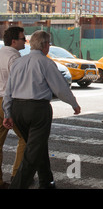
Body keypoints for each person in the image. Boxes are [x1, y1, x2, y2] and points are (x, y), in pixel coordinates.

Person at [2, 30, 81, 189]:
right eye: (49, 43)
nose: (49, 46)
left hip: (18, 109)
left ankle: (47, 182)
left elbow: (8, 89)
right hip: (38, 110)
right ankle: (17, 186)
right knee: (32, 152)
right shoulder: (46, 62)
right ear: (44, 45)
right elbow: (60, 88)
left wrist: (8, 112)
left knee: (38, 147)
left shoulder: (19, 62)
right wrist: (74, 104)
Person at [0, 27, 26, 189]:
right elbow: (19, 83)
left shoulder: (1, 52)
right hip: (9, 102)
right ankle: (18, 175)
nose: (25, 41)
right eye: (23, 39)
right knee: (25, 138)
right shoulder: (14, 58)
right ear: (14, 41)